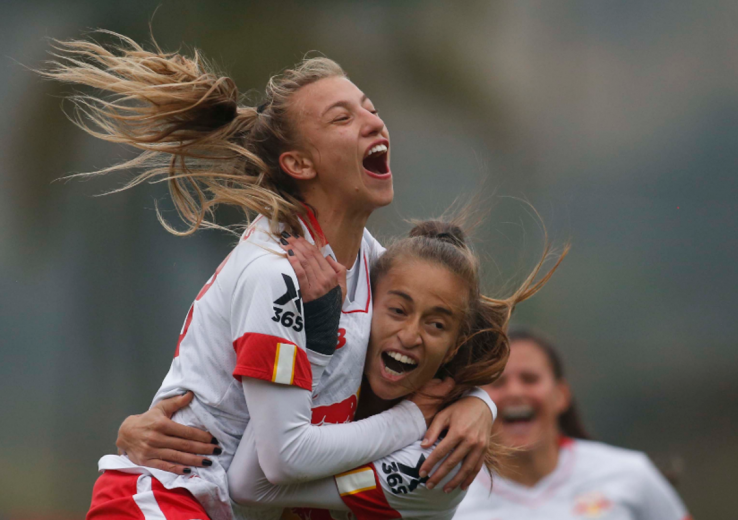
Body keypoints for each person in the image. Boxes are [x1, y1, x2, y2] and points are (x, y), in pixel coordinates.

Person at [43, 32, 496, 520]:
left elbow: (457, 337)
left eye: (370, 108)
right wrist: (414, 417)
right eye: (343, 118)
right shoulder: (274, 274)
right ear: (299, 164)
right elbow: (283, 461)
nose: (373, 123)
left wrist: (481, 405)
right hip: (161, 499)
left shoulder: (372, 261)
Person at [225, 219, 562, 520]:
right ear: (366, 307)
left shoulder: (440, 458)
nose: (410, 335)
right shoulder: (336, 360)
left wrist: (417, 415)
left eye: (436, 325)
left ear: (453, 347)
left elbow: (253, 486)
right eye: (399, 310)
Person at [453, 328, 691, 520]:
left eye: (530, 379)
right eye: (498, 382)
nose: (515, 392)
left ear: (561, 395)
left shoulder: (631, 473)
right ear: (476, 401)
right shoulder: (448, 493)